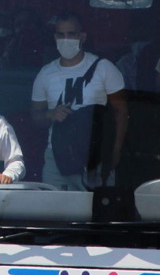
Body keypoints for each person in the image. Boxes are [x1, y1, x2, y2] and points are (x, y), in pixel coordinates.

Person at [31, 12, 128, 191]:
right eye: (61, 34)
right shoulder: (45, 73)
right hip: (57, 156)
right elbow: (35, 117)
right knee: (55, 213)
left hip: (96, 154)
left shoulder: (104, 68)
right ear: (55, 37)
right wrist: (51, 114)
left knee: (97, 212)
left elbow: (121, 112)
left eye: (71, 34)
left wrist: (115, 151)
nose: (65, 39)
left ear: (82, 37)